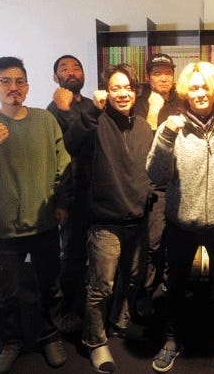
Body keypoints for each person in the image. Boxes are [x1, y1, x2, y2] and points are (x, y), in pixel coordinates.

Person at [0, 56, 72, 373]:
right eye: (5, 81)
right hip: (3, 227)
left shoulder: (44, 120)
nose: (13, 87)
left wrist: (60, 201)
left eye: (19, 81)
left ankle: (50, 336)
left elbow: (63, 163)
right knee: (6, 294)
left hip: (44, 224)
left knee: (50, 287)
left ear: (27, 87)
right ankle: (11, 343)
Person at [147, 61, 214, 374]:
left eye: (205, 86)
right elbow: (156, 174)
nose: (200, 93)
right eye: (194, 87)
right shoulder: (172, 126)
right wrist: (166, 135)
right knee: (174, 285)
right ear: (185, 92)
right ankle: (171, 341)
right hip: (181, 222)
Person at [60, 64, 154, 373]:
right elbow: (71, 143)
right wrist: (91, 112)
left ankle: (118, 321)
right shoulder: (95, 122)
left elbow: (149, 169)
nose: (122, 93)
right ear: (106, 92)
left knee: (132, 278)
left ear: (135, 91)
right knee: (101, 286)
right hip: (105, 221)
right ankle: (95, 341)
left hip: (137, 218)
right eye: (115, 88)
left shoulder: (143, 127)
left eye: (127, 87)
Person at [47, 54, 94, 333]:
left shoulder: (91, 105)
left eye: (77, 67)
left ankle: (91, 305)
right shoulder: (52, 111)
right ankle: (64, 311)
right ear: (55, 78)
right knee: (73, 254)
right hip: (72, 191)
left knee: (96, 253)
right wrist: (61, 200)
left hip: (97, 191)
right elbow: (68, 148)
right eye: (64, 68)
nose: (72, 72)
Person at [134, 53, 182, 316]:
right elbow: (142, 142)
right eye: (157, 73)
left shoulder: (183, 100)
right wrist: (153, 111)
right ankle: (145, 292)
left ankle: (169, 289)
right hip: (152, 185)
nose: (163, 78)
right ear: (148, 77)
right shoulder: (139, 102)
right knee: (152, 243)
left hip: (179, 182)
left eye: (168, 72)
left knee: (176, 242)